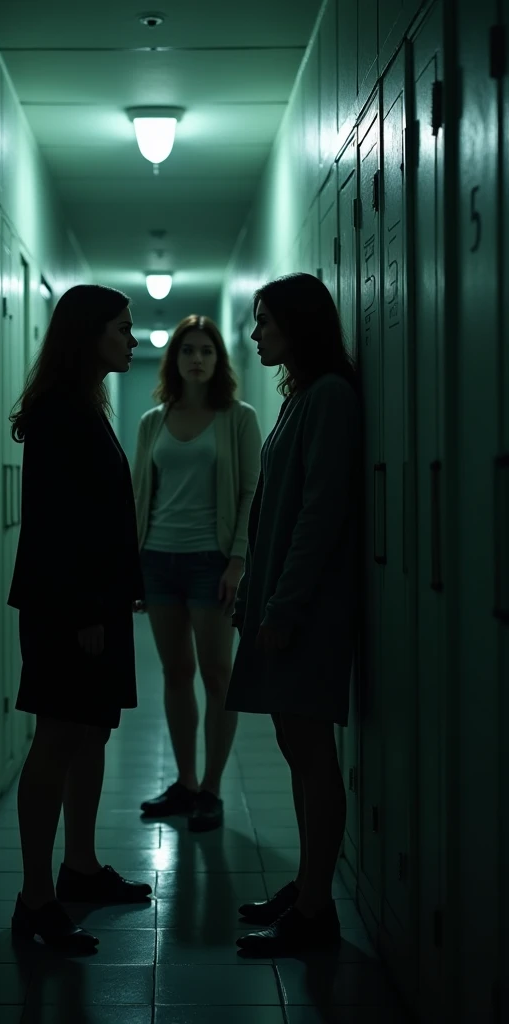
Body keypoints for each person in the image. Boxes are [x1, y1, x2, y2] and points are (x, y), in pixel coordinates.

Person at [6, 284, 152, 955]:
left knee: (88, 733)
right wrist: (88, 609)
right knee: (59, 738)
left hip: (92, 603)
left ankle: (80, 868)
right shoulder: (63, 412)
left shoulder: (82, 405)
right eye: (122, 328)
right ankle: (36, 899)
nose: (131, 338)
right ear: (89, 333)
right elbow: (60, 526)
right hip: (71, 607)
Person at [228, 273, 361, 955]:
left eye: (266, 323)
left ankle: (316, 912)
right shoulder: (301, 397)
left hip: (305, 609)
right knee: (295, 749)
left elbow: (319, 514)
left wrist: (282, 605)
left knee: (312, 753)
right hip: (279, 600)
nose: (255, 335)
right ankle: (308, 888)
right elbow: (273, 511)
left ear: (299, 326)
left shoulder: (331, 398)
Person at [133, 315, 262, 832]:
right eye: (188, 350)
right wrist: (133, 564)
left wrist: (237, 560)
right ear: (175, 359)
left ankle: (211, 788)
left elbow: (253, 492)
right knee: (175, 673)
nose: (197, 359)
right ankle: (185, 782)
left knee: (218, 676)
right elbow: (140, 495)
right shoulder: (152, 422)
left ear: (218, 360)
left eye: (206, 351)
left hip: (213, 562)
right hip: (158, 560)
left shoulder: (238, 418)